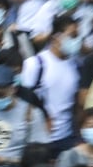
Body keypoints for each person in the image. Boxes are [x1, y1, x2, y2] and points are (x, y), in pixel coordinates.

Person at [20, 15, 82, 156]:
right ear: (56, 37)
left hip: (66, 137)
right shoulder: (36, 64)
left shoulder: (75, 65)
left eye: (78, 36)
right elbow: (25, 101)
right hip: (39, 139)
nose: (76, 40)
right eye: (72, 35)